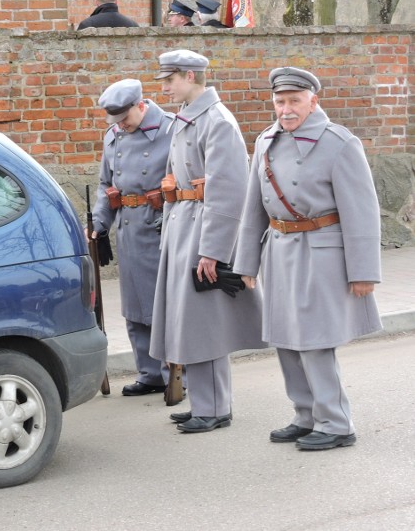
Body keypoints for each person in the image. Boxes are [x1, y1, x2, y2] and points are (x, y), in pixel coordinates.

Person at [233, 67, 382, 451]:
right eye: (280, 101)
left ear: (313, 101)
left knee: (315, 340)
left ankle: (335, 422)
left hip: (322, 251)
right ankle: (304, 415)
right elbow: (253, 208)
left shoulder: (339, 143)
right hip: (279, 251)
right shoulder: (266, 141)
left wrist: (363, 272)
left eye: (294, 101)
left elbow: (362, 211)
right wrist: (246, 263)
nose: (286, 109)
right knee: (284, 337)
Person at [149, 49, 264, 433]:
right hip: (184, 226)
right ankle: (205, 402)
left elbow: (230, 191)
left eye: (169, 80)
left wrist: (213, 250)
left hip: (203, 231)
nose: (164, 87)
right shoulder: (186, 118)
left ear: (190, 77)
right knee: (189, 322)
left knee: (206, 323)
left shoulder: (217, 122)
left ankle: (214, 408)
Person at [91, 79, 175, 397]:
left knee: (161, 305)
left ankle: (175, 372)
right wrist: (98, 224)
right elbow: (105, 185)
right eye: (116, 121)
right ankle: (150, 372)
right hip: (128, 228)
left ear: (140, 106)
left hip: (160, 227)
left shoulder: (171, 129)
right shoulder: (113, 135)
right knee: (134, 306)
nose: (121, 126)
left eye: (125, 118)